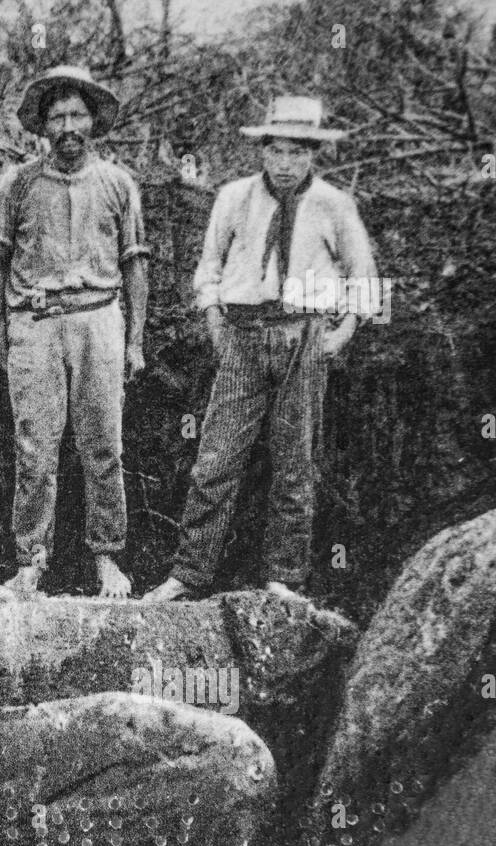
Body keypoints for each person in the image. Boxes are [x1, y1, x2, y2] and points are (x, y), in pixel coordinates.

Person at [143, 96, 380, 603]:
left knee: (294, 463)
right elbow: (209, 266)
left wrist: (342, 332)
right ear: (263, 151)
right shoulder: (234, 197)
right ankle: (189, 573)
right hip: (244, 335)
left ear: (314, 154)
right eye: (277, 151)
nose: (287, 163)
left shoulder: (334, 205)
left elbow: (365, 278)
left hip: (303, 334)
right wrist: (215, 322)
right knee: (216, 458)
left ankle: (283, 577)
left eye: (298, 152)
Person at [0, 65, 150, 598]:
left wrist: (136, 341)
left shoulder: (119, 184)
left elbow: (135, 265)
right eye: (58, 117)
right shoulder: (18, 183)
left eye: (78, 114)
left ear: (94, 121)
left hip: (99, 319)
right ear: (43, 126)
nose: (69, 125)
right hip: (34, 322)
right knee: (35, 448)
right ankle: (32, 560)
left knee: (103, 445)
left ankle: (107, 557)